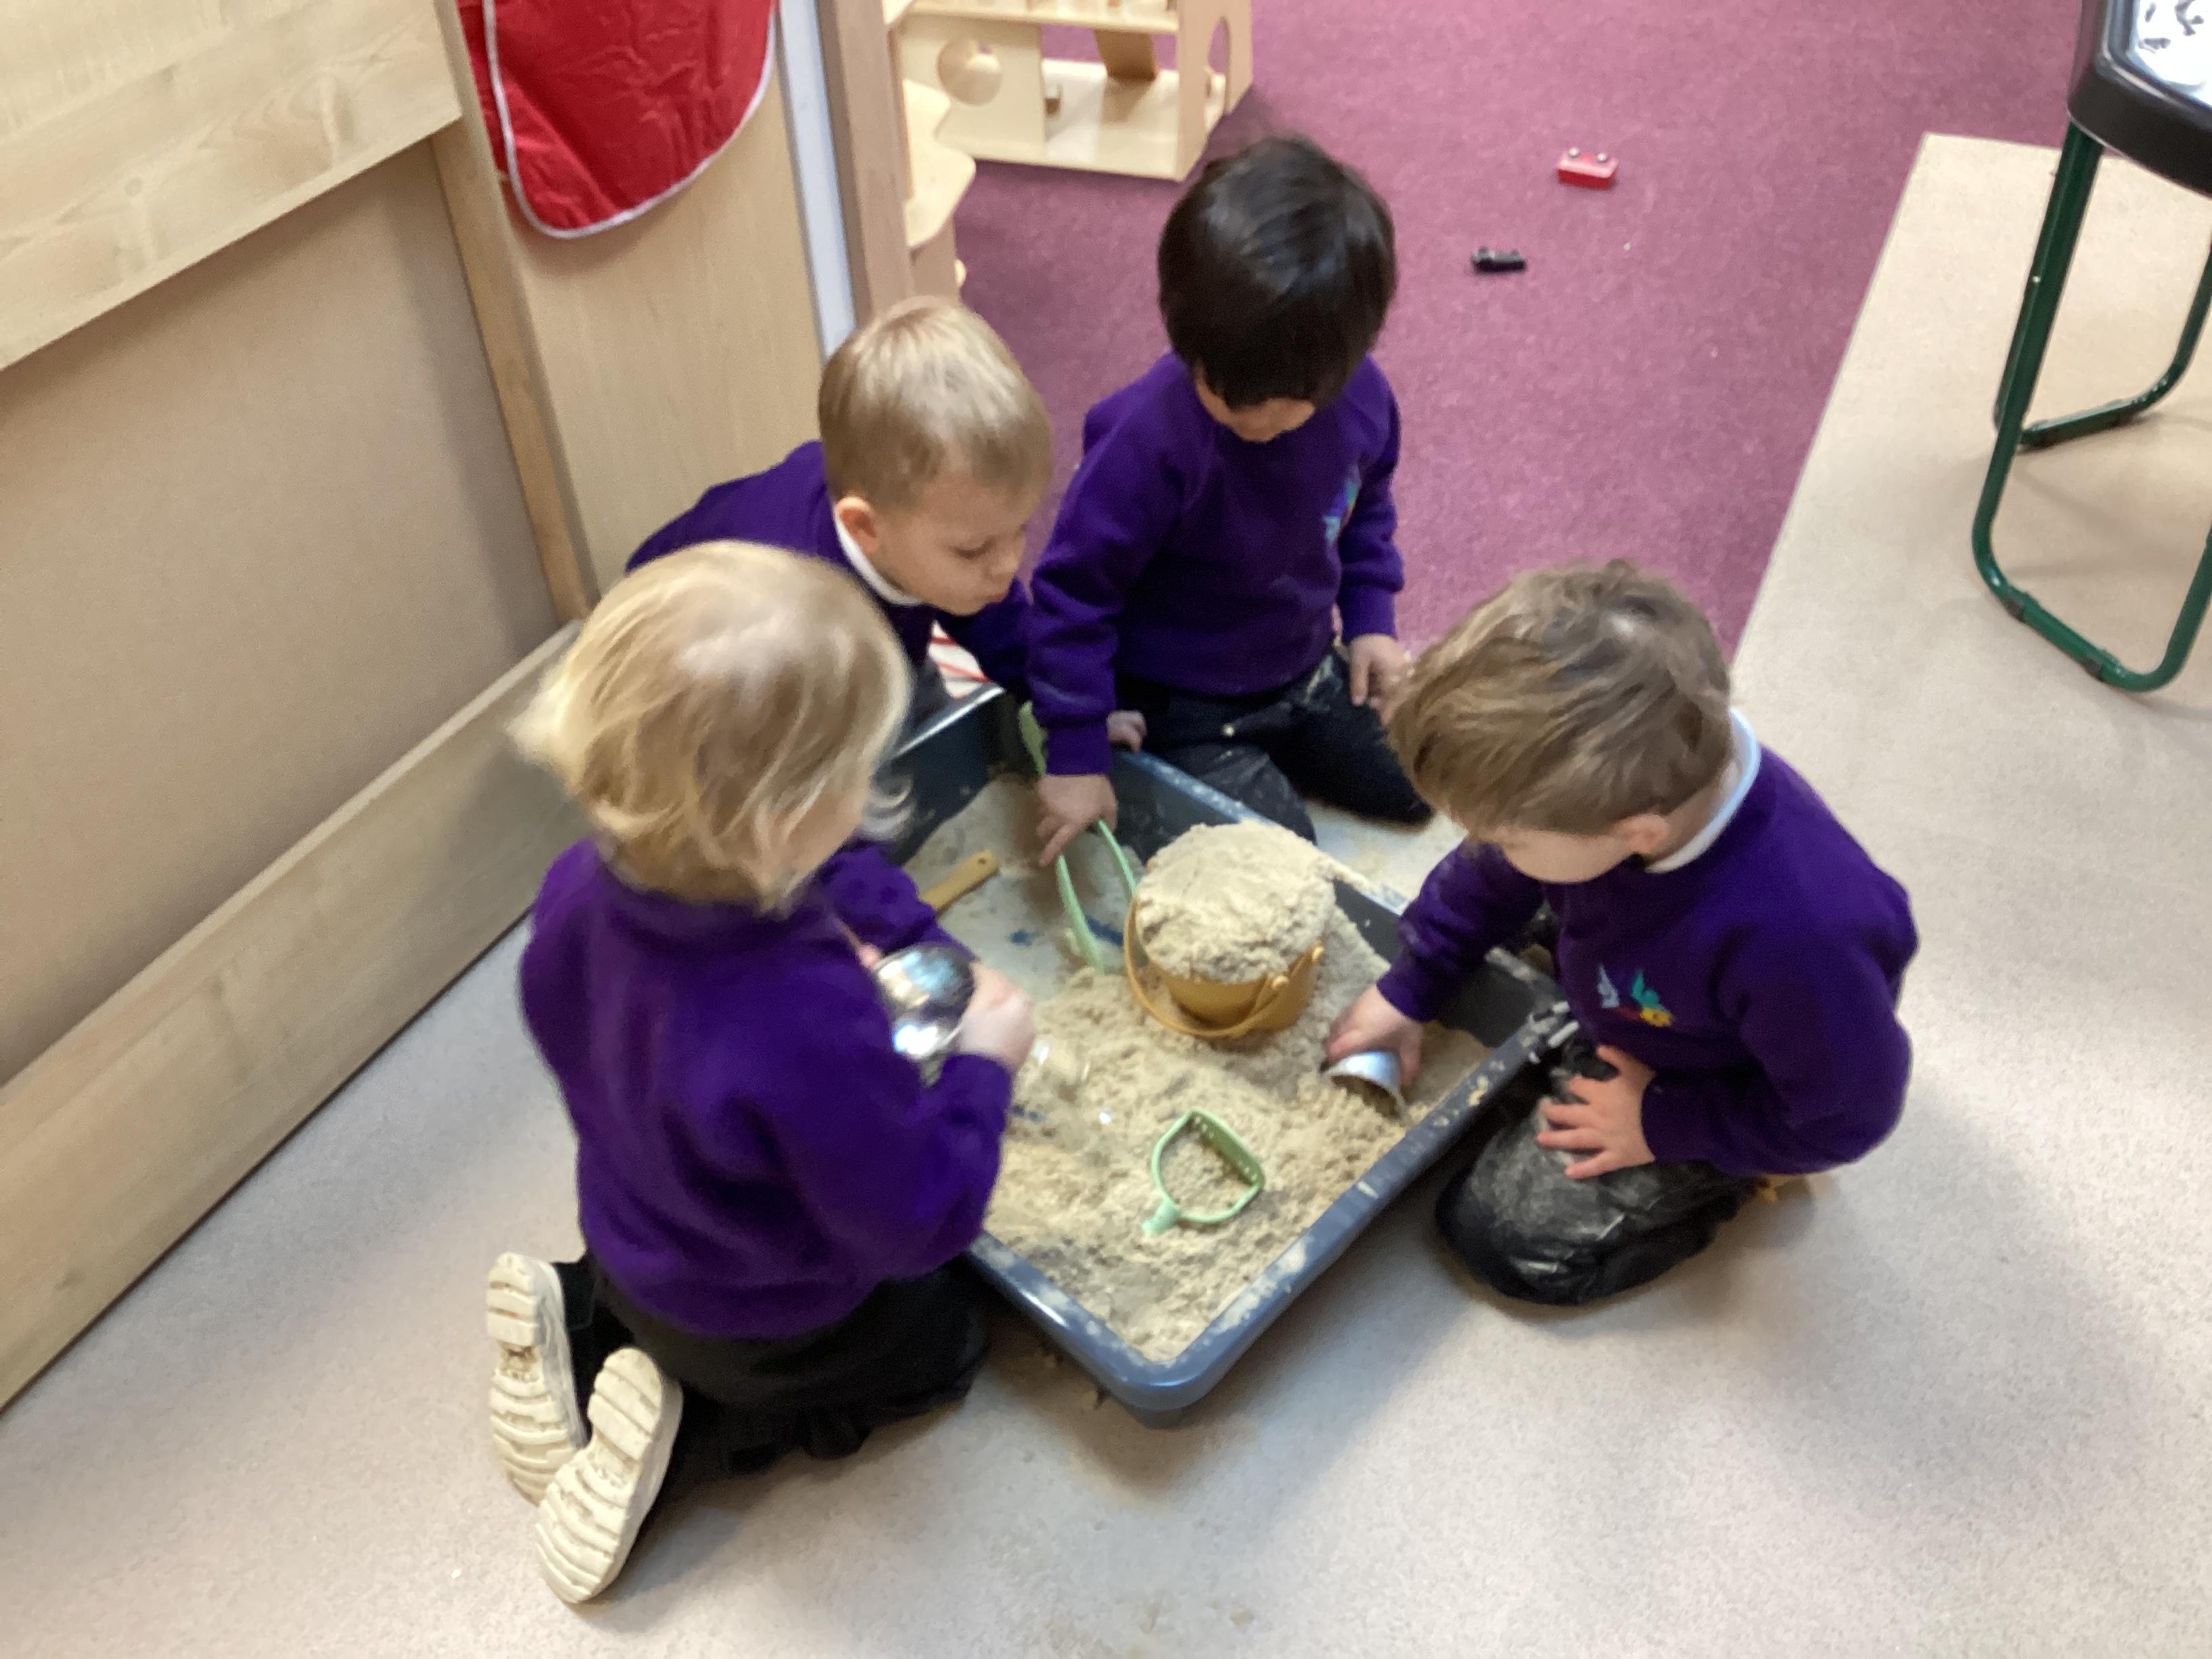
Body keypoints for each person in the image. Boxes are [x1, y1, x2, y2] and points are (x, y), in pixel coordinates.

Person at [484, 543, 1035, 1603]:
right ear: (782, 828)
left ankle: (580, 1313)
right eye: (858, 774)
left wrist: (897, 944)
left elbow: (671, 1034)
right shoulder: (806, 1023)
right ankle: (695, 1437)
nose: (870, 795)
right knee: (944, 1341)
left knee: (667, 1243)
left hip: (633, 1232)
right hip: (771, 1316)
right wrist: (982, 1068)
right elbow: (916, 1221)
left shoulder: (576, 892)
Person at [1326, 562, 1918, 1305]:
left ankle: (1712, 1184)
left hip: (1701, 1078)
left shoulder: (1800, 939)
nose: (1488, 846)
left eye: (1506, 836)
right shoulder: (1631, 794)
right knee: (1505, 889)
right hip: (1636, 963)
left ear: (1637, 833)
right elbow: (1491, 876)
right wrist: (1411, 986)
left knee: (1494, 1233)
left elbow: (1847, 1116)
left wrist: (1662, 1124)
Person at [1026, 133, 1431, 864]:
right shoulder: (1144, 440)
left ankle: (1274, 751)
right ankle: (1160, 772)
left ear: (1345, 362)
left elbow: (1367, 508)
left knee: (1422, 778)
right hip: (1181, 701)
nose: (1252, 416)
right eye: (1222, 389)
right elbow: (1071, 594)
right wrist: (1076, 748)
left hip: (1303, 665)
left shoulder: (1363, 400)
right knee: (1284, 862)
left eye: (1281, 402)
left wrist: (1373, 621)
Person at [629, 294, 1054, 952]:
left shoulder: (919, 523)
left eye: (1019, 530)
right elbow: (810, 813)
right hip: (703, 680)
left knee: (917, 722)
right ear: (865, 526)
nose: (1008, 564)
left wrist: (1067, 709)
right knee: (792, 842)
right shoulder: (794, 632)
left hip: (861, 636)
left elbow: (998, 615)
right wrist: (918, 942)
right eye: (975, 549)